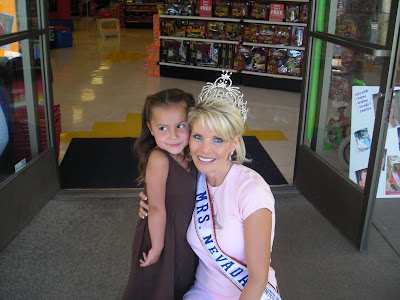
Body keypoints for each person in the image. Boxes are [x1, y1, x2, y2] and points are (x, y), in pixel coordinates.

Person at [140, 72, 280, 300]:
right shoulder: (195, 177)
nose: (205, 150)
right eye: (198, 136)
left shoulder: (252, 190)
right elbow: (166, 199)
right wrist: (148, 198)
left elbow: (257, 279)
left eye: (218, 139)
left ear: (234, 142)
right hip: (203, 292)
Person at [123, 89, 198, 300]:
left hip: (186, 228)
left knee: (184, 280)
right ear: (150, 128)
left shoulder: (192, 153)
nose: (173, 136)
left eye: (180, 126)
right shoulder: (159, 159)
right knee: (160, 285)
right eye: (163, 128)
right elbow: (156, 207)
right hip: (163, 233)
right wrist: (157, 247)